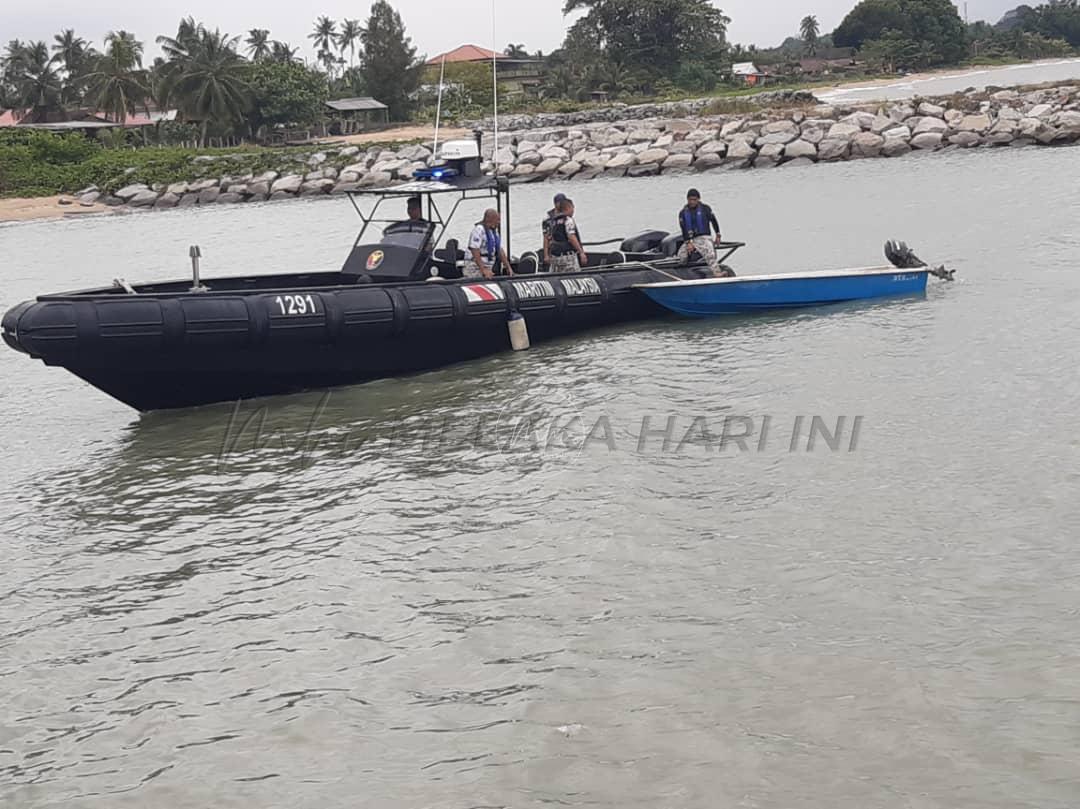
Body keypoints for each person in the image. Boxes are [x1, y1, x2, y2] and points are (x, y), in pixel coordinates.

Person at [676, 188, 726, 277]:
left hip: (704, 237)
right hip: (691, 239)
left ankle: (717, 273)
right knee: (681, 256)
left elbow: (713, 221)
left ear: (698, 199)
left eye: (694, 200)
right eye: (690, 200)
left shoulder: (705, 209)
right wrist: (688, 243)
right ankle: (682, 272)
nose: (692, 202)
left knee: (709, 253)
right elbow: (684, 229)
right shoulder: (683, 213)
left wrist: (718, 234)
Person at [465, 209, 514, 279]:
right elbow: (474, 250)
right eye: (498, 220)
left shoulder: (494, 233)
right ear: (491, 219)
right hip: (475, 267)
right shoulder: (479, 230)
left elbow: (499, 250)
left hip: (488, 267)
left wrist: (508, 267)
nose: (499, 222)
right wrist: (483, 270)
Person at [546, 198, 588, 273]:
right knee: (574, 276)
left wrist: (547, 255)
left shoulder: (552, 222)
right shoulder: (568, 220)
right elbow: (571, 237)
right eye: (573, 208)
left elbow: (548, 238)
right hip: (568, 257)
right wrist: (581, 252)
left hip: (555, 257)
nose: (573, 211)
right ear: (568, 207)